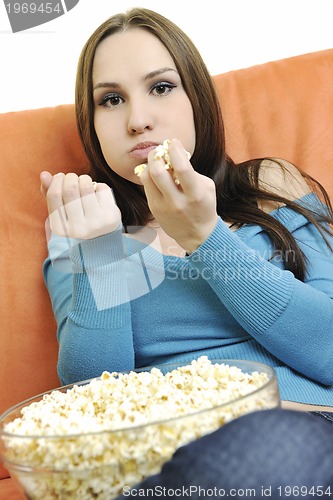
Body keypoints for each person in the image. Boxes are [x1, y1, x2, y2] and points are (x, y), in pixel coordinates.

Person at [40, 7, 333, 497]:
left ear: (197, 97)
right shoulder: (83, 225)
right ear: (91, 123)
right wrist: (101, 252)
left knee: (268, 451)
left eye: (160, 87)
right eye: (111, 99)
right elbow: (90, 399)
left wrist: (205, 237)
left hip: (300, 434)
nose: (137, 120)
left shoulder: (269, 185)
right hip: (166, 460)